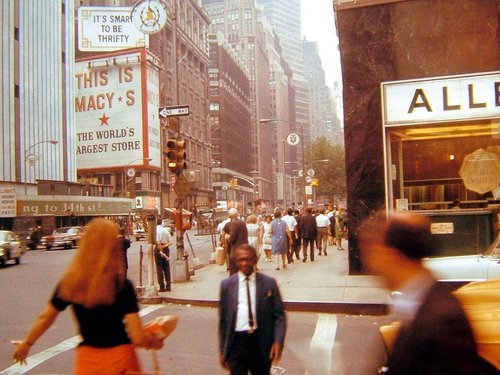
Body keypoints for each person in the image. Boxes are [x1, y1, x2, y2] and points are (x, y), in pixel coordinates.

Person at [12, 218, 163, 373]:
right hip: (121, 360)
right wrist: (152, 341)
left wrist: (27, 343)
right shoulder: (122, 286)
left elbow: (46, 317)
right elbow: (137, 337)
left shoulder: (70, 283)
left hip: (87, 361)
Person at [358, 211, 497, 374]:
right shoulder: (418, 305)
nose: (369, 265)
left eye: (373, 252)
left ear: (391, 255)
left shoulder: (443, 321)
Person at [218, 244, 286, 375]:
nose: (244, 263)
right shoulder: (226, 285)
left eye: (248, 259)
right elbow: (223, 321)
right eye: (241, 260)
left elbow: (279, 316)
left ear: (255, 259)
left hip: (260, 342)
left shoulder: (269, 283)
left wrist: (278, 341)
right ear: (236, 261)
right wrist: (223, 349)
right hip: (236, 343)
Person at [223, 208, 249, 275]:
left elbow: (232, 238)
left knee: (234, 270)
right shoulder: (243, 223)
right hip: (244, 247)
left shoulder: (233, 224)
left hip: (236, 249)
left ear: (231, 215)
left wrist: (228, 238)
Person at [156, 218, 173, 292]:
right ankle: (168, 286)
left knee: (159, 268)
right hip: (166, 248)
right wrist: (165, 246)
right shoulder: (166, 230)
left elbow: (158, 242)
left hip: (158, 249)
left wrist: (160, 249)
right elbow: (171, 242)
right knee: (166, 267)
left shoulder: (155, 230)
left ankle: (162, 286)